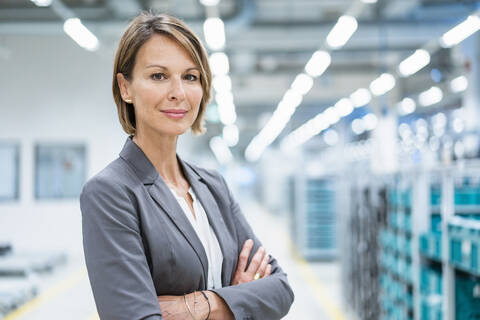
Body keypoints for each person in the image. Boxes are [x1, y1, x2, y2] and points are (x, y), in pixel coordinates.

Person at [80, 12, 294, 320]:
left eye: (190, 77)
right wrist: (237, 300)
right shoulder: (111, 193)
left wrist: (201, 305)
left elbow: (281, 289)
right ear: (125, 88)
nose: (178, 92)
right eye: (158, 76)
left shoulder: (212, 185)